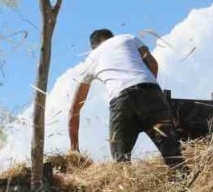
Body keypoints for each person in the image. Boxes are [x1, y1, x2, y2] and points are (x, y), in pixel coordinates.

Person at [68, 29, 181, 165]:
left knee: (121, 162)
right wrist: (150, 93)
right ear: (112, 37)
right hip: (149, 89)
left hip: (121, 100)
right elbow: (152, 64)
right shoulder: (128, 38)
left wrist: (74, 148)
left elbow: (74, 109)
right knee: (173, 153)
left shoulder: (91, 58)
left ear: (93, 47)